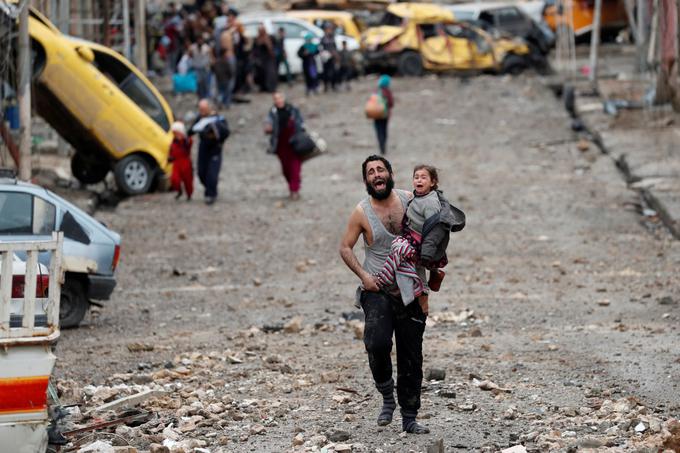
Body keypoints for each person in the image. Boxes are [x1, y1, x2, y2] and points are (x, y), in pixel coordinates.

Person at [339, 155, 430, 435]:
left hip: (411, 290)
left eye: (381, 170)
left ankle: (410, 417)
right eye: (370, 172)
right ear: (366, 180)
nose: (376, 175)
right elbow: (345, 247)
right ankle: (386, 395)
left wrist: (427, 287)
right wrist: (365, 277)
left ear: (390, 173)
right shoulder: (361, 212)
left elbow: (434, 237)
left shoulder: (410, 201)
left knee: (411, 356)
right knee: (376, 343)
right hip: (378, 288)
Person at [374, 165, 449, 315]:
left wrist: (426, 251)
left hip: (421, 244)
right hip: (412, 236)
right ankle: (428, 280)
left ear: (433, 182)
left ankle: (384, 279)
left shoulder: (430, 203)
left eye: (423, 177)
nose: (419, 180)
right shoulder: (418, 196)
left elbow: (435, 230)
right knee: (414, 267)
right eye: (416, 177)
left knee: (398, 248)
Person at [264, 92, 304, 200]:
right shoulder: (273, 112)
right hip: (280, 144)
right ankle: (293, 184)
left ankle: (294, 189)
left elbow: (300, 122)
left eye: (280, 97)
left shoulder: (292, 109)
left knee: (295, 166)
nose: (278, 100)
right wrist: (268, 128)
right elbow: (268, 123)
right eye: (276, 98)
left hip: (294, 142)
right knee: (286, 168)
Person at [188, 99, 230, 204]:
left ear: (209, 108)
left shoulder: (219, 119)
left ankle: (211, 195)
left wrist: (215, 130)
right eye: (200, 109)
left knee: (212, 174)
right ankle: (210, 189)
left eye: (203, 109)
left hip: (215, 149)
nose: (201, 111)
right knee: (201, 173)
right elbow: (191, 131)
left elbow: (226, 133)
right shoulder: (200, 118)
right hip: (203, 148)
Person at [169, 121, 194, 200]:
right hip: (176, 163)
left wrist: (185, 138)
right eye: (174, 133)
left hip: (186, 163)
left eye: (177, 133)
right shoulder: (173, 141)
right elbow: (171, 151)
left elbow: (190, 142)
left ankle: (189, 194)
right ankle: (179, 191)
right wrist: (170, 157)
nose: (176, 135)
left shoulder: (186, 141)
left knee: (188, 181)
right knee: (174, 179)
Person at [252, 25, 278, 93]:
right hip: (260, 59)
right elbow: (255, 49)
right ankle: (263, 87)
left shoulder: (270, 38)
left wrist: (267, 43)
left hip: (269, 58)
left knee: (270, 73)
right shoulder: (257, 39)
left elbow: (274, 49)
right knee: (261, 74)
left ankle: (271, 87)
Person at [374, 75, 394, 155]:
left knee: (378, 130)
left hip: (375, 114)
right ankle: (383, 147)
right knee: (384, 130)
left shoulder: (376, 91)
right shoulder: (387, 91)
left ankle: (381, 146)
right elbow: (391, 103)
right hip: (385, 114)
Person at [320, 23, 339, 92]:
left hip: (332, 57)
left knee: (334, 72)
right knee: (326, 73)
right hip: (326, 58)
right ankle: (326, 86)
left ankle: (333, 86)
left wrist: (335, 54)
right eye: (328, 29)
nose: (329, 31)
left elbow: (335, 47)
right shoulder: (323, 39)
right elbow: (321, 48)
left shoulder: (332, 38)